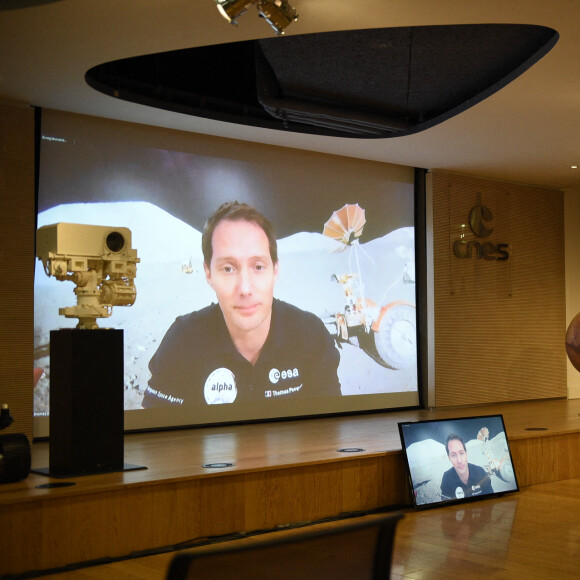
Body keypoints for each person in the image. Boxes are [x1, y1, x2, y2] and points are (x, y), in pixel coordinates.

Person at [142, 201, 342, 411]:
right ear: (209, 274)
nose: (245, 288)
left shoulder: (311, 336)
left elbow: (328, 432)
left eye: (258, 266)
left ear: (275, 270)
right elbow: (156, 438)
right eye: (228, 268)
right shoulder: (182, 342)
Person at [440, 434, 494, 500]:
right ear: (449, 458)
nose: (459, 461)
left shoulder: (480, 473)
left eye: (461, 453)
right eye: (453, 455)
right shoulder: (447, 479)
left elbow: (491, 501)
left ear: (466, 454)